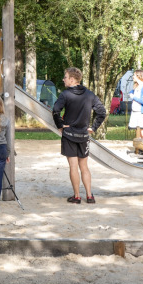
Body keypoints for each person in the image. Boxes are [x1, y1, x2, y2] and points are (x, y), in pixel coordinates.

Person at [52, 68, 106, 204]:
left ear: (72, 79)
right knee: (84, 167)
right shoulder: (89, 95)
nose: (63, 79)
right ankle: (89, 195)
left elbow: (55, 111)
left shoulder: (65, 95)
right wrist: (93, 128)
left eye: (65, 77)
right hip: (83, 135)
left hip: (69, 134)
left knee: (73, 167)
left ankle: (76, 196)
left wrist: (60, 125)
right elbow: (102, 112)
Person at [128, 70, 143, 140]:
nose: (133, 77)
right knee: (138, 132)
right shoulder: (136, 86)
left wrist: (133, 97)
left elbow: (142, 100)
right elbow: (131, 93)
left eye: (134, 75)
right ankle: (140, 148)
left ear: (139, 76)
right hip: (135, 112)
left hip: (141, 112)